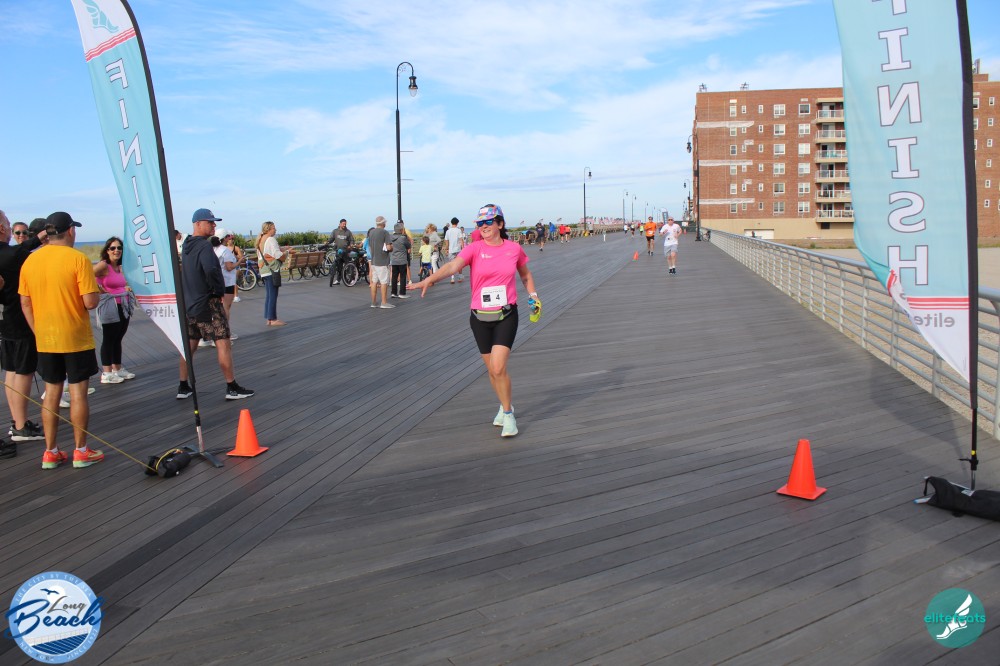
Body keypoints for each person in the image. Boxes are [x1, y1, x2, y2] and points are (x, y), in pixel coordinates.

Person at [411, 204, 537, 438]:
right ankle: (504, 404)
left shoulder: (513, 248)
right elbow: (452, 266)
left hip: (506, 314)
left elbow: (526, 275)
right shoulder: (474, 248)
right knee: (492, 371)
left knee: (498, 367)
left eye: (488, 222)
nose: (483, 227)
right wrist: (430, 279)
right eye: (480, 223)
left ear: (500, 224)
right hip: (479, 317)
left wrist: (533, 296)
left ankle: (508, 414)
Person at [18, 212, 103, 469]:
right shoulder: (78, 258)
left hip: (46, 338)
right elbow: (90, 302)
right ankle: (81, 451)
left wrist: (38, 331)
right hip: (75, 336)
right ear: (70, 231)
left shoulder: (30, 261)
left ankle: (50, 452)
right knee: (77, 393)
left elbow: (25, 302)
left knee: (51, 392)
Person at [176, 209, 254, 401]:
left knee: (190, 345)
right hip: (207, 303)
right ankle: (231, 386)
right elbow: (211, 270)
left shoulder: (187, 246)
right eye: (210, 222)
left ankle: (183, 386)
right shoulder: (204, 246)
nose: (214, 225)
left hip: (190, 304)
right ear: (197, 224)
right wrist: (218, 291)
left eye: (214, 222)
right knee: (223, 342)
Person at [0, 210, 46, 449]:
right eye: (8, 224)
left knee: (11, 371)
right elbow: (24, 248)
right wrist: (43, 235)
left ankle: (17, 421)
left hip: (5, 321)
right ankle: (21, 426)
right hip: (19, 320)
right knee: (23, 372)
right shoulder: (9, 254)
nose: (11, 229)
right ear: (2, 228)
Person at [93, 236, 137, 383]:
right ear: (107, 250)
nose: (116, 250)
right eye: (113, 248)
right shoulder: (103, 265)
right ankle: (106, 373)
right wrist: (99, 289)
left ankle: (117, 369)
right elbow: (86, 275)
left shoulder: (118, 267)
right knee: (109, 339)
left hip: (122, 305)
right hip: (110, 306)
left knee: (118, 338)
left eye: (119, 248)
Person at [256, 220, 286, 326]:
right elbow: (277, 255)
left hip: (264, 270)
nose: (275, 230)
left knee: (269, 295)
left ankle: (269, 318)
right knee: (273, 295)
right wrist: (286, 253)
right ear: (268, 229)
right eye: (274, 228)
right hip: (271, 270)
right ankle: (273, 319)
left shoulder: (260, 240)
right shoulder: (270, 239)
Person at [213, 228, 240, 339]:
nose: (230, 238)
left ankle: (218, 331)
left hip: (217, 281)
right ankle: (225, 332)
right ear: (225, 238)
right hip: (227, 282)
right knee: (226, 307)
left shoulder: (214, 249)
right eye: (228, 236)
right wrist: (239, 261)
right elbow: (229, 267)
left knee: (218, 308)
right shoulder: (225, 250)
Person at [367, 216, 393, 308]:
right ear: (383, 223)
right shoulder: (385, 232)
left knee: (374, 282)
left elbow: (370, 245)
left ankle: (373, 302)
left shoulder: (371, 232)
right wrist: (391, 248)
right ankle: (384, 302)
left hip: (373, 261)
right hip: (382, 261)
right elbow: (388, 247)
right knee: (383, 282)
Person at [327, 218, 354, 285]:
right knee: (339, 266)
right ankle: (338, 280)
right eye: (343, 224)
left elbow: (352, 240)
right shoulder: (335, 231)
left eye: (345, 224)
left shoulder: (348, 232)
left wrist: (351, 245)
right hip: (338, 251)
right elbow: (331, 239)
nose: (344, 225)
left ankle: (351, 279)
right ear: (340, 224)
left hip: (346, 252)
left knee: (348, 265)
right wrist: (327, 242)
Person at [390, 222, 411, 299]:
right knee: (402, 277)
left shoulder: (391, 237)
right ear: (401, 230)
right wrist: (405, 235)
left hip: (394, 260)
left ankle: (393, 292)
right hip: (402, 260)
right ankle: (402, 293)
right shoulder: (403, 238)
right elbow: (409, 245)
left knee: (394, 277)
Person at [443, 217, 464, 284]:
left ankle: (452, 278)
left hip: (451, 250)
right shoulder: (458, 230)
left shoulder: (448, 231)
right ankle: (460, 277)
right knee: (459, 264)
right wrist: (463, 248)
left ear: (451, 223)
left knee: (452, 264)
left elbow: (446, 241)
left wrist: (447, 249)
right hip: (458, 249)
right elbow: (461, 240)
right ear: (457, 223)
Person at [229, 235, 245, 302]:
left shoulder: (236, 248)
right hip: (228, 266)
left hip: (235, 266)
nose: (230, 240)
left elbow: (242, 258)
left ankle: (236, 296)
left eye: (232, 239)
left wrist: (235, 256)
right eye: (229, 239)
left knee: (234, 281)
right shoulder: (224, 248)